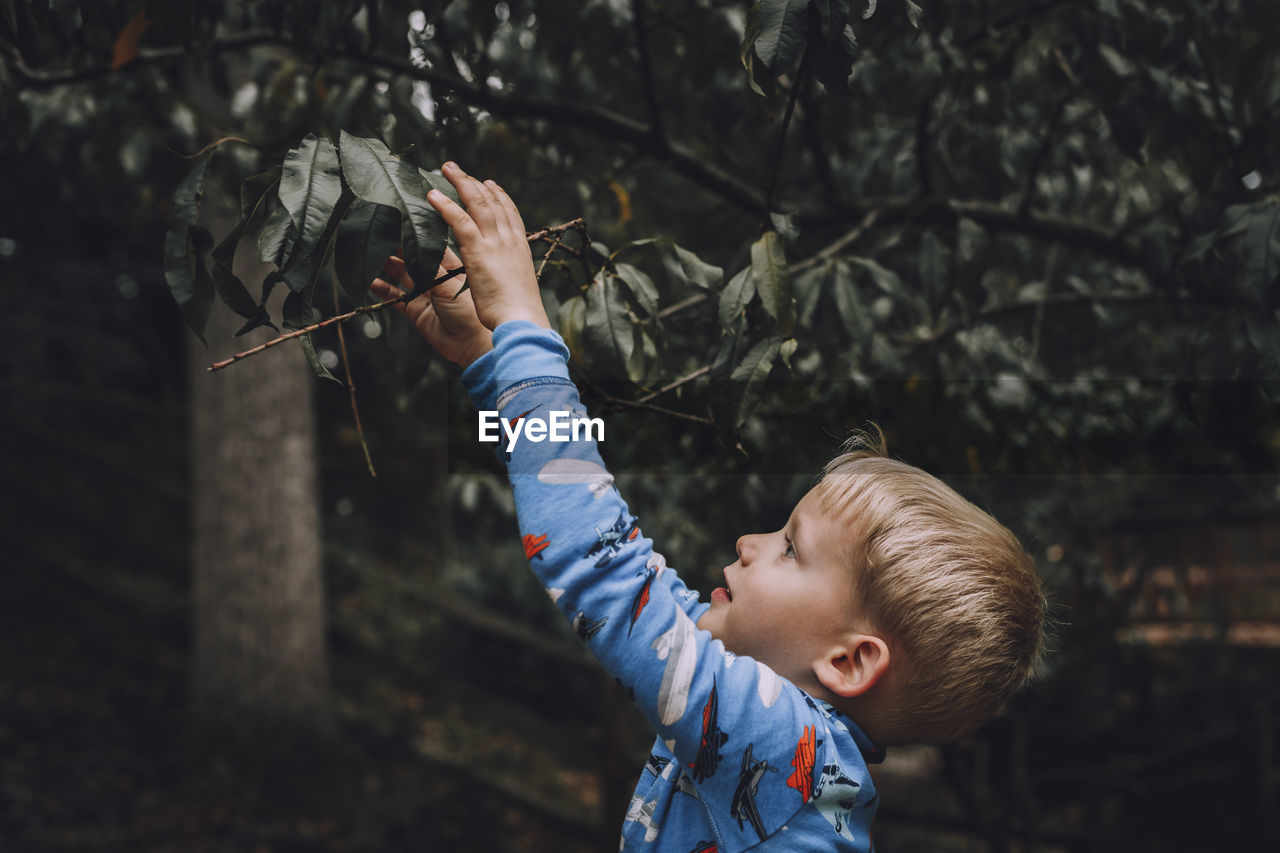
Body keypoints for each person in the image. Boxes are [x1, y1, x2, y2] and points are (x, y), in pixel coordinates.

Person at [370, 162, 1047, 851]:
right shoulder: (795, 743)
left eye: (790, 547)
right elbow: (644, 587)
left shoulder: (784, 744)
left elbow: (606, 570)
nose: (751, 541)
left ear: (847, 662)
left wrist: (524, 325)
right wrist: (487, 355)